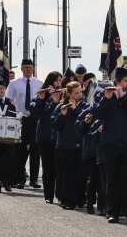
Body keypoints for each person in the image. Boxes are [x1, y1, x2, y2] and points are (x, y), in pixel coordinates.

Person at [93, 67, 127, 224]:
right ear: (117, 82)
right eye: (125, 81)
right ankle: (112, 210)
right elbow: (98, 115)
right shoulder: (103, 94)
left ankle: (126, 206)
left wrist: (123, 98)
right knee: (112, 177)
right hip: (110, 142)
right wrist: (107, 99)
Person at [5, 58, 43, 188]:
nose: (28, 69)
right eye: (26, 67)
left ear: (33, 68)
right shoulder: (14, 84)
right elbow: (8, 100)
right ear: (21, 68)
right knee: (19, 150)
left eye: (30, 67)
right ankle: (20, 179)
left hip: (34, 119)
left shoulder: (39, 83)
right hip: (19, 118)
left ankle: (34, 180)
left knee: (35, 149)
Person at [52, 81, 87, 210]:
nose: (80, 95)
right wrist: (62, 115)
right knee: (67, 174)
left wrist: (76, 109)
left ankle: (80, 198)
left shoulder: (83, 105)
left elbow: (87, 120)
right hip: (65, 145)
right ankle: (66, 200)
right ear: (70, 94)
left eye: (81, 92)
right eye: (77, 93)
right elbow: (55, 126)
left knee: (80, 173)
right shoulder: (61, 106)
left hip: (80, 144)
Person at [30, 71, 63, 204]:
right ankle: (48, 195)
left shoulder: (62, 95)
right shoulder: (41, 95)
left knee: (59, 167)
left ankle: (60, 194)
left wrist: (57, 99)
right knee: (48, 167)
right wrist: (41, 99)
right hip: (44, 136)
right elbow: (37, 113)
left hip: (59, 136)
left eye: (60, 81)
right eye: (56, 81)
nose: (58, 84)